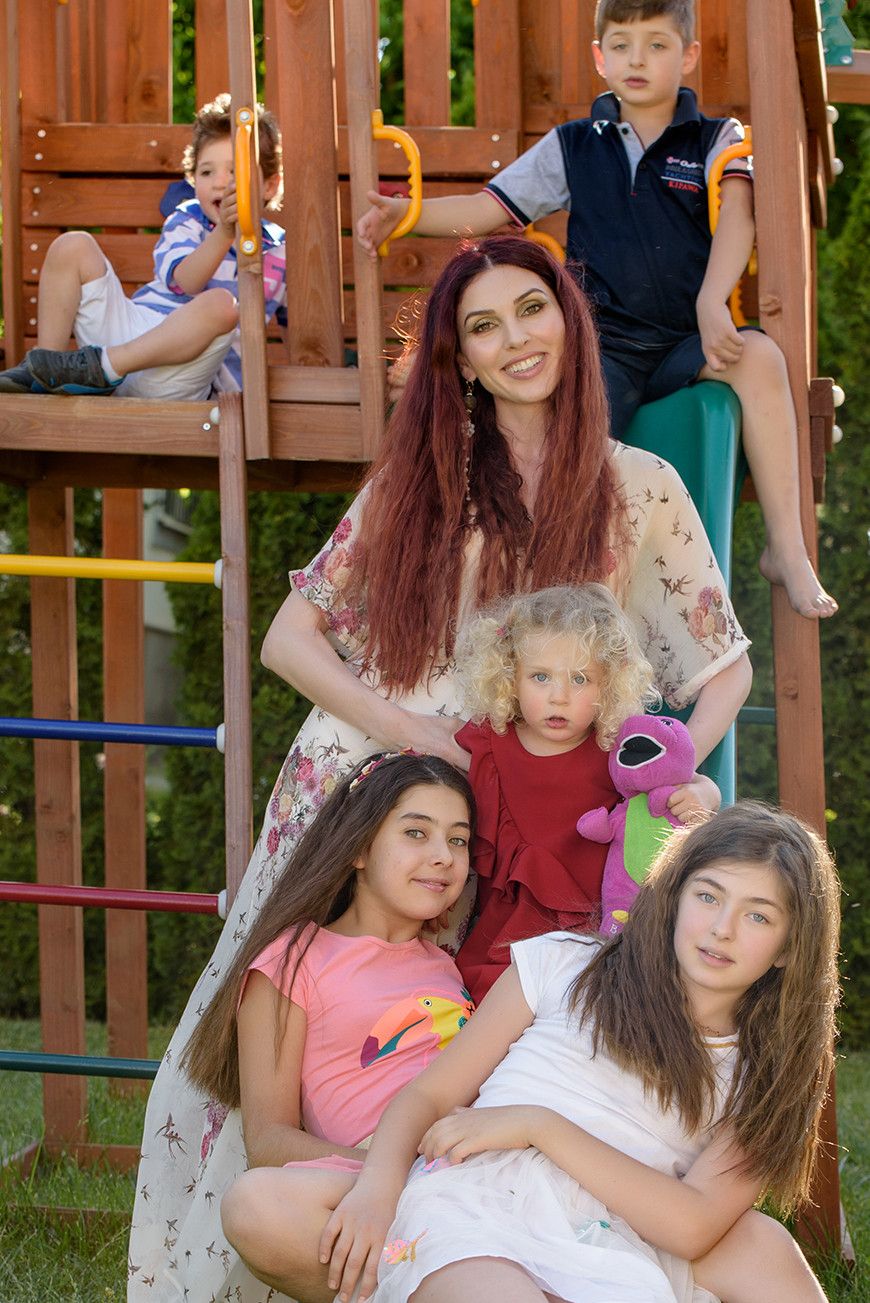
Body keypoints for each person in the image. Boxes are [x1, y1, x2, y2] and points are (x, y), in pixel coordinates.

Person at [127, 234, 752, 1300]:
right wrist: (412, 730)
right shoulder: (423, 478)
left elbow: (723, 662)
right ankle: (282, 1243)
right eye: (483, 327)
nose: (516, 340)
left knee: (476, 1032)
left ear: (570, 320)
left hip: (537, 807)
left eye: (532, 310)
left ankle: (496, 1245)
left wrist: (682, 775)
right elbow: (288, 638)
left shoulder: (637, 485)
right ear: (458, 359)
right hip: (384, 780)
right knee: (313, 1016)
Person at [232, 802, 837, 1303]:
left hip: (620, 1225)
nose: (723, 928)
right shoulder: (564, 963)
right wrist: (378, 1187)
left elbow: (692, 1223)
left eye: (758, 917)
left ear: (790, 947)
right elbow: (430, 1095)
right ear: (674, 895)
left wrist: (537, 1126)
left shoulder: (770, 1071)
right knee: (259, 1205)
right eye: (708, 896)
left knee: (766, 1253)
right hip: (482, 1201)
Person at [356, 0, 836, 621]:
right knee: (572, 433)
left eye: (657, 44)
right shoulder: (575, 144)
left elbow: (739, 217)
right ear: (599, 56)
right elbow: (491, 207)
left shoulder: (715, 138)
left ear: (688, 56)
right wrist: (408, 214)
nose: (638, 59)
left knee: (762, 358)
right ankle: (542, 577)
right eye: (622, 44)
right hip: (605, 344)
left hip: (684, 338)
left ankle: (787, 549)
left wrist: (713, 299)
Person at [158, 752, 475, 1300]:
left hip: (472, 1161)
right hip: (371, 1177)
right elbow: (268, 1140)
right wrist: (389, 1171)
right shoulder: (292, 961)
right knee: (255, 1206)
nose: (443, 856)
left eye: (458, 840)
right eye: (416, 833)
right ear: (358, 848)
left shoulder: (447, 968)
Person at [452, 582, 719, 1001]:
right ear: (510, 678)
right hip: (510, 934)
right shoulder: (491, 741)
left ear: (609, 684)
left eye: (580, 679)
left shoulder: (618, 746)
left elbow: (688, 782)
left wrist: (706, 795)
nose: (558, 697)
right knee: (489, 1002)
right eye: (540, 677)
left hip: (603, 928)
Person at [0, 94, 285, 400]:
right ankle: (45, 372)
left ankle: (104, 368)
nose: (219, 182)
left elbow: (301, 329)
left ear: (269, 186)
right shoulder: (187, 220)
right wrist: (225, 233)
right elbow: (187, 281)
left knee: (223, 305)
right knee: (72, 245)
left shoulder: (280, 252)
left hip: (182, 373)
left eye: (234, 171)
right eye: (206, 172)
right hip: (131, 335)